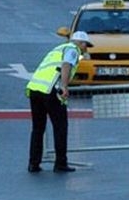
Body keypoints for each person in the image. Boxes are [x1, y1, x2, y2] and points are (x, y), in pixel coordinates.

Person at [25, 31, 93, 173]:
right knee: (60, 127)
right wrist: (64, 86)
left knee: (38, 129)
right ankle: (60, 163)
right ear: (81, 43)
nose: (86, 48)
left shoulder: (58, 49)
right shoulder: (73, 50)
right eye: (86, 45)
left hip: (35, 89)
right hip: (51, 90)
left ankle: (33, 163)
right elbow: (66, 65)